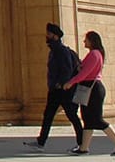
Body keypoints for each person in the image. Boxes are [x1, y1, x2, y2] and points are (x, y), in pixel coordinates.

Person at [63, 30, 115, 156]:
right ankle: (83, 147)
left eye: (86, 39)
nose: (84, 42)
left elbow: (84, 73)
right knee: (87, 118)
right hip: (89, 88)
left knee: (97, 120)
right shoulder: (95, 54)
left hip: (93, 89)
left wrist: (71, 82)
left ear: (92, 41)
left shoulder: (94, 54)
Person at [23, 22, 82, 152]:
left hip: (63, 91)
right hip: (55, 90)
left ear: (55, 36)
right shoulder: (54, 51)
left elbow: (66, 69)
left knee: (71, 115)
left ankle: (82, 143)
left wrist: (60, 84)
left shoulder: (61, 51)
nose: (47, 36)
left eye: (49, 34)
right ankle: (41, 142)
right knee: (49, 115)